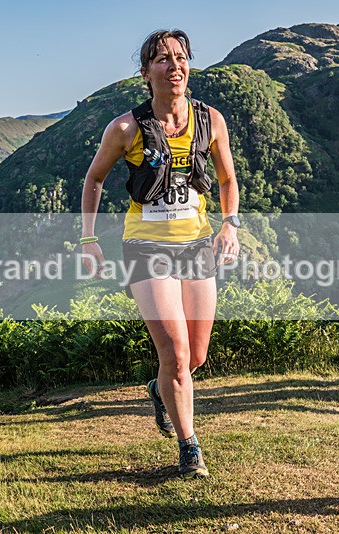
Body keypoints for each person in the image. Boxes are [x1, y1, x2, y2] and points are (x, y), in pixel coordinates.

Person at [79, 29, 240, 478]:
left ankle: (160, 388)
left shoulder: (211, 121)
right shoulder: (126, 128)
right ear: (146, 72)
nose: (175, 66)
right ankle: (190, 449)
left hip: (196, 244)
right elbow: (94, 180)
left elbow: (227, 180)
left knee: (196, 356)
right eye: (163, 59)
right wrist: (88, 238)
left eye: (181, 57)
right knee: (173, 350)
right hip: (146, 246)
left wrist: (230, 225)